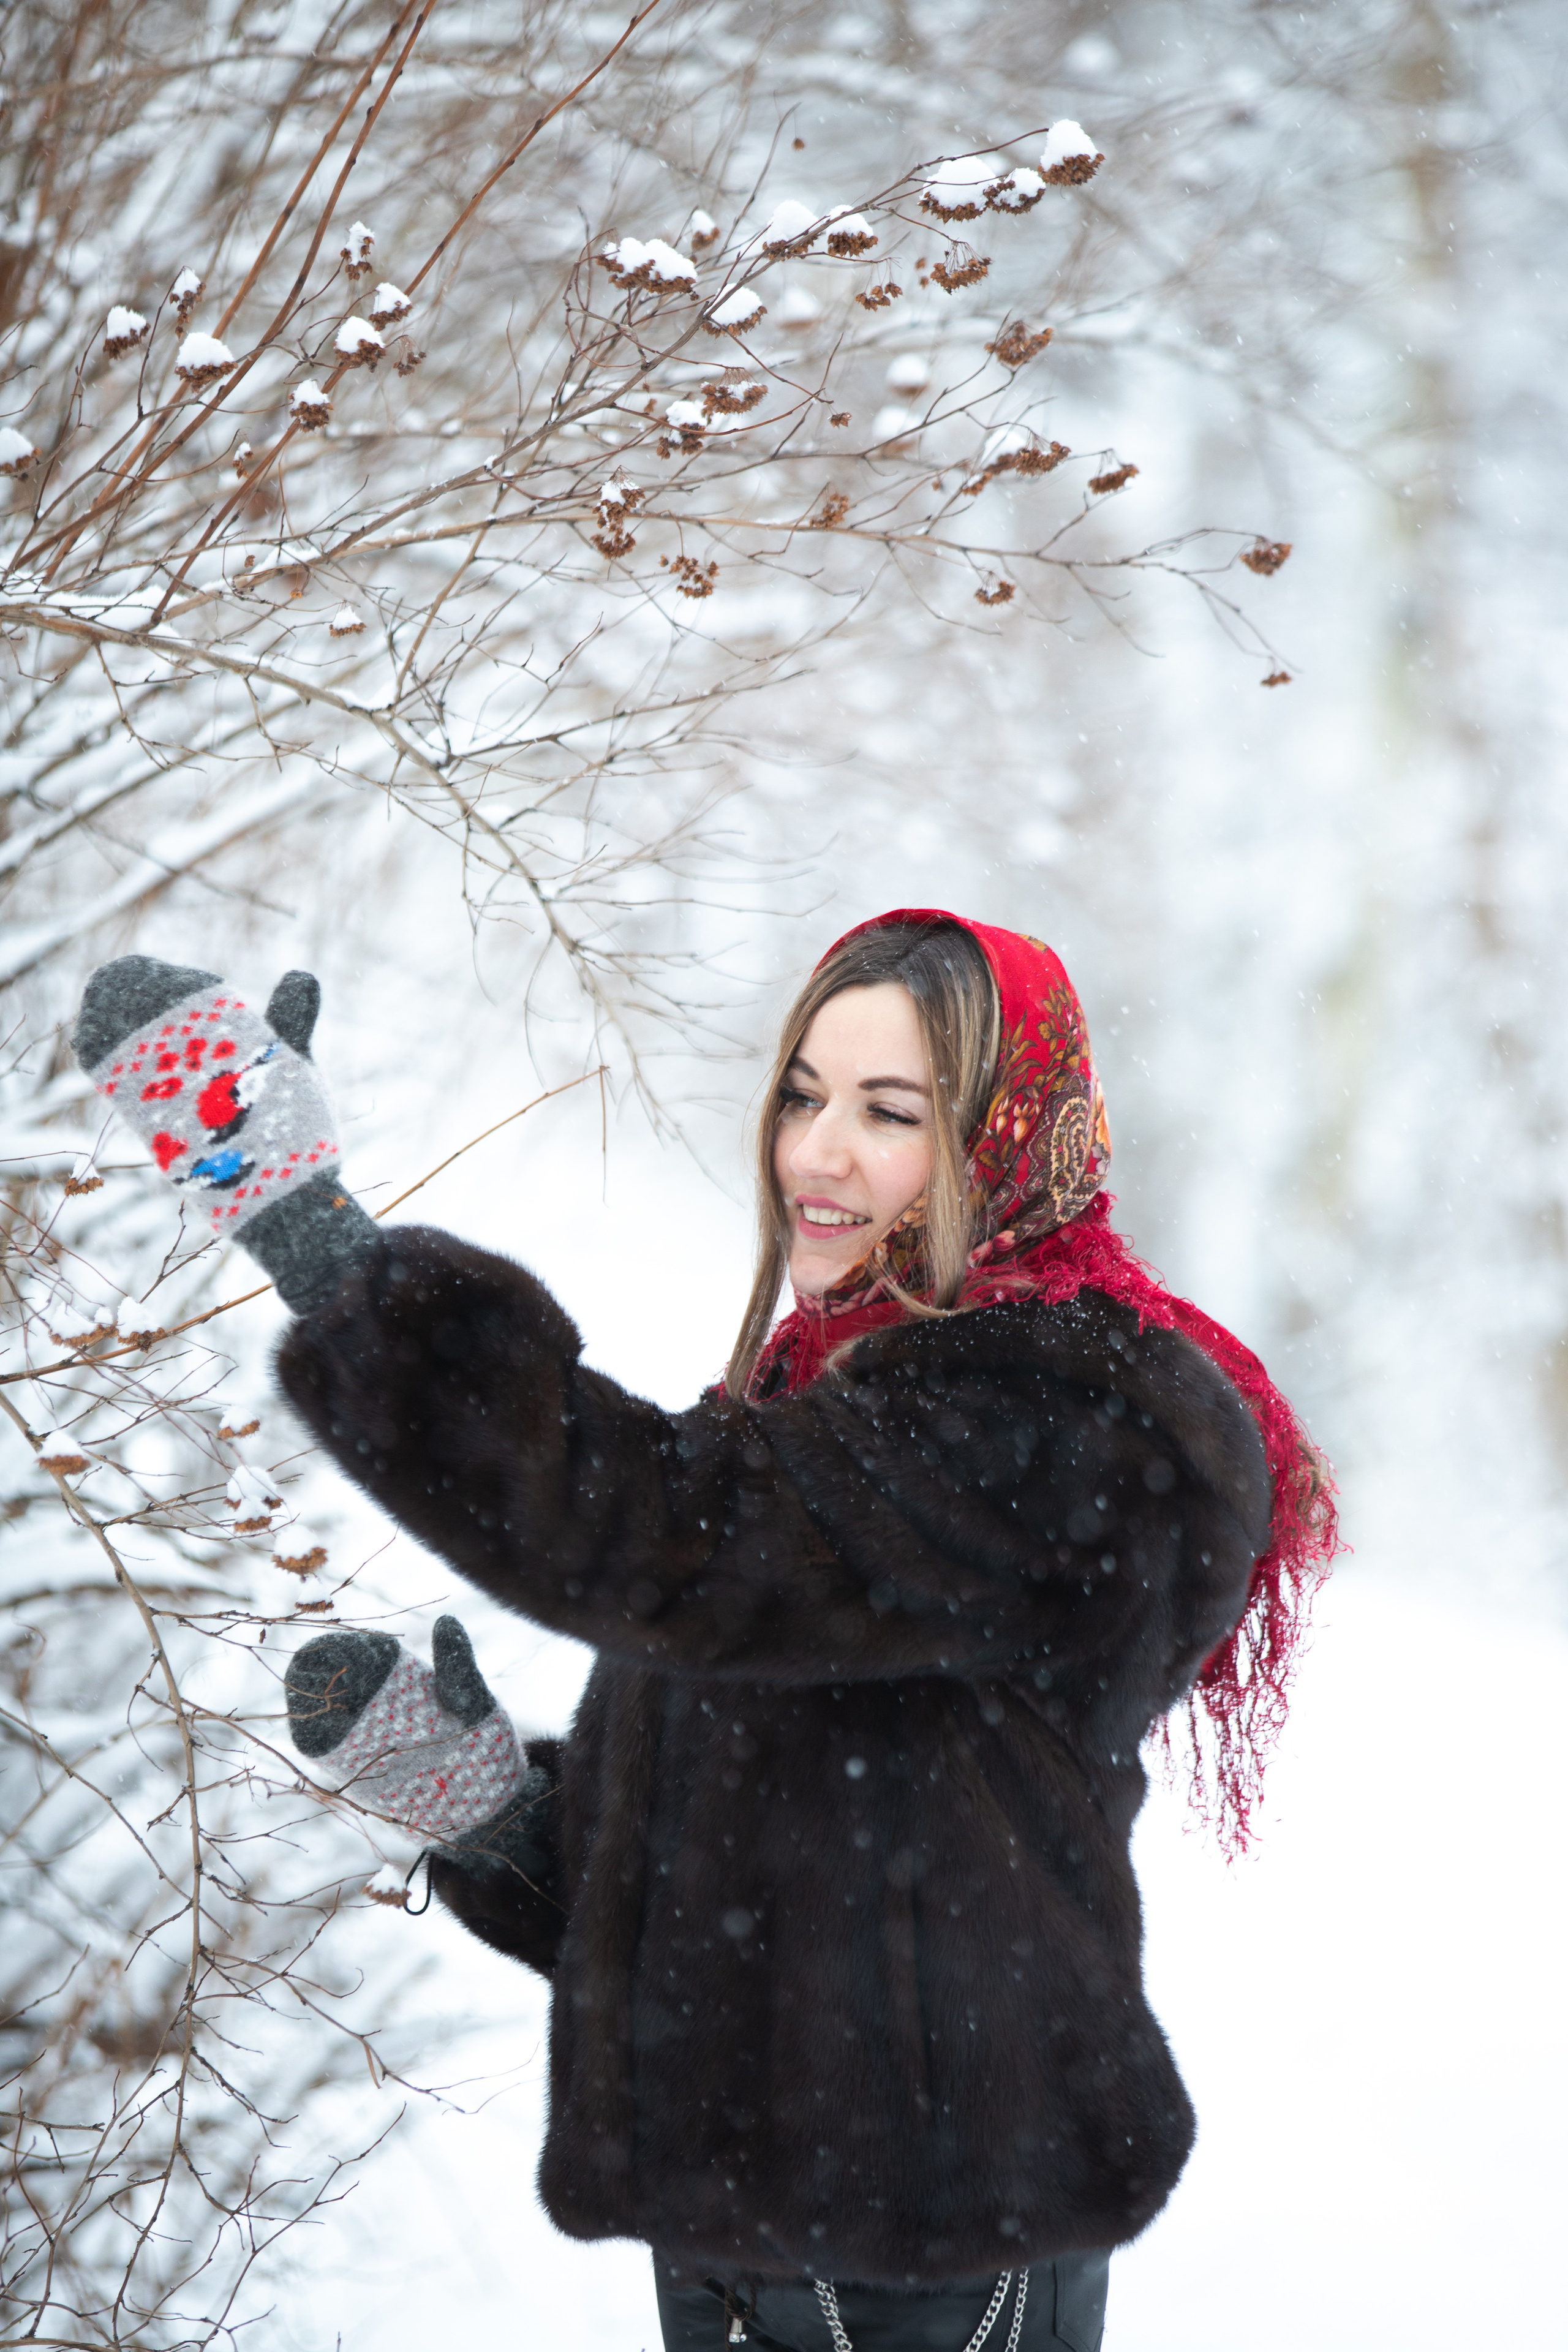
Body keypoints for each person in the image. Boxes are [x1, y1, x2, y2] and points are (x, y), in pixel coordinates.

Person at [72, 911, 1336, 2352]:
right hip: (762, 2252)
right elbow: (756, 1897)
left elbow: (653, 1530)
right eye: (802, 1094)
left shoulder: (1049, 1423)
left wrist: (311, 1235)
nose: (816, 1151)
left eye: (889, 1112)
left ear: (1009, 1138)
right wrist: (496, 1817)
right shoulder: (845, 1406)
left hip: (921, 2263)